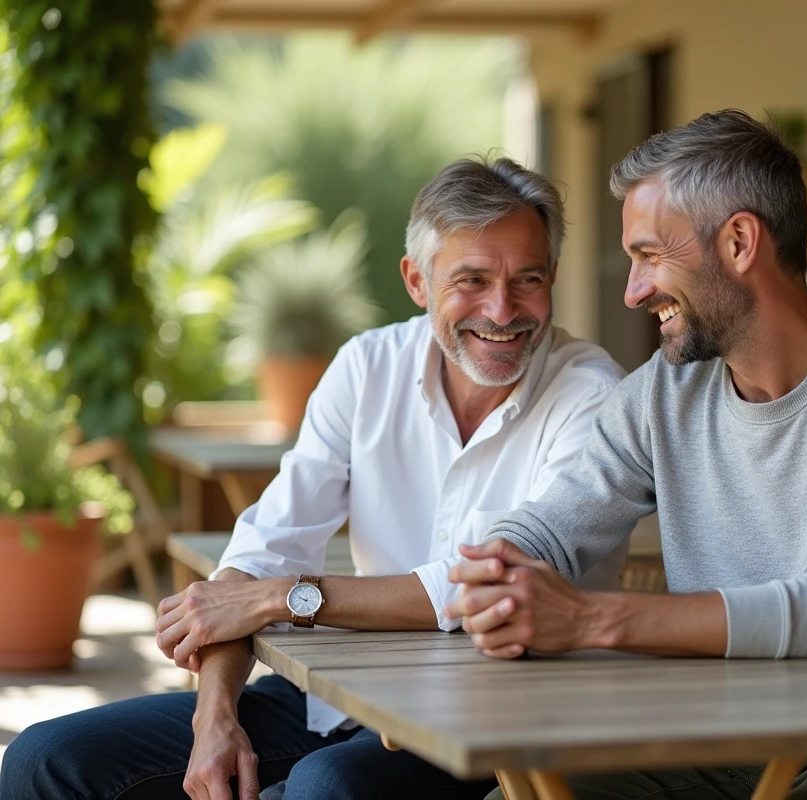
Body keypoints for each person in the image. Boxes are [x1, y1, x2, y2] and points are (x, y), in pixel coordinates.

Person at [0, 157, 627, 800]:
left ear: (552, 278)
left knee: (320, 789)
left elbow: (491, 588)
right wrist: (213, 716)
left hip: (494, 724)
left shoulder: (591, 395)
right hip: (344, 701)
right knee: (43, 760)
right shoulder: (367, 367)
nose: (502, 309)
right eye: (471, 279)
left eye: (528, 278)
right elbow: (261, 551)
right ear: (417, 280)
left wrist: (282, 597)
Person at [446, 110, 807, 800]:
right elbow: (553, 525)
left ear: (739, 241)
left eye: (650, 255)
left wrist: (592, 620)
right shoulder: (662, 394)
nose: (633, 289)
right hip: (721, 737)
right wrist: (501, 567)